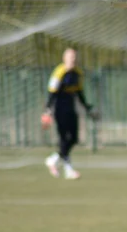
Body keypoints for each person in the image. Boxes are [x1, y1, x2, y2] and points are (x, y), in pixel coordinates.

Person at [42, 48, 97, 180]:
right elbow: (52, 93)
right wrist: (47, 110)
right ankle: (68, 170)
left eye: (74, 57)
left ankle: (54, 160)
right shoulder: (59, 72)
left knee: (74, 139)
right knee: (63, 139)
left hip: (71, 109)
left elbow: (79, 93)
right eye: (70, 57)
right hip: (60, 109)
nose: (73, 60)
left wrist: (88, 108)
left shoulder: (78, 73)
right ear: (64, 58)